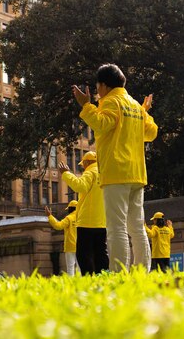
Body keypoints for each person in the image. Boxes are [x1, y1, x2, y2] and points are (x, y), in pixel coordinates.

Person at [73, 64, 158, 272]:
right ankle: (142, 271)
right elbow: (151, 132)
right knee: (137, 227)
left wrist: (86, 106)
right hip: (136, 173)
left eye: (97, 87)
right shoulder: (135, 105)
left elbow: (102, 124)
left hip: (116, 172)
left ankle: (119, 272)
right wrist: (144, 112)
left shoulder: (111, 101)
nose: (96, 92)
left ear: (103, 85)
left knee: (117, 226)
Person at [59, 151, 108, 274]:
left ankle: (88, 277)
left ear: (86, 162)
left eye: (83, 164)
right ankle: (103, 275)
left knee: (84, 253)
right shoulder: (104, 173)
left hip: (87, 220)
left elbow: (80, 186)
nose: (83, 167)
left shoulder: (90, 172)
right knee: (101, 251)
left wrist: (66, 174)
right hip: (102, 221)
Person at [46, 202, 80, 275]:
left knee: (70, 267)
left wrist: (50, 216)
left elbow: (58, 226)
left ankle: (71, 284)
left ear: (70, 209)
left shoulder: (69, 218)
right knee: (80, 268)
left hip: (70, 246)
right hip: (81, 246)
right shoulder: (81, 218)